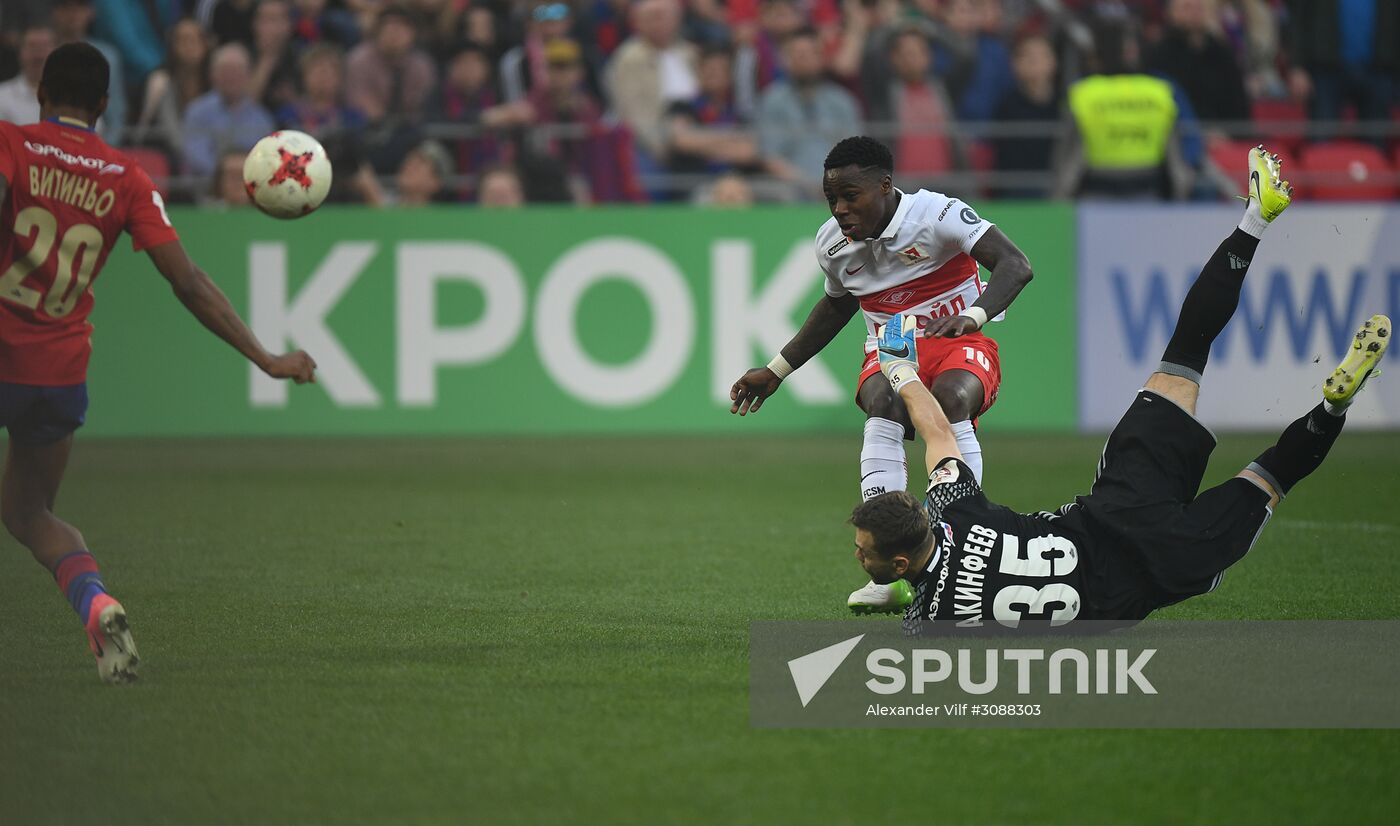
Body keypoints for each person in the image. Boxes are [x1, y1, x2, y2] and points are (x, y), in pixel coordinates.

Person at [853, 147, 1391, 633]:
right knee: (1184, 355)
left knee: (1272, 476)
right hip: (1116, 508)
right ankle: (1255, 219)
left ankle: (1330, 409)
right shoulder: (953, 508)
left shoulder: (929, 620)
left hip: (1166, 566)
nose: (858, 557)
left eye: (863, 554)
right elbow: (940, 435)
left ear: (898, 567)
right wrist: (900, 370)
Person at [0, 43, 317, 683]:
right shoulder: (127, 178)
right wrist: (265, 358)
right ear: (106, 107)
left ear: (40, 92)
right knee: (32, 514)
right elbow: (190, 283)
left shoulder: (10, 144)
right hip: (56, 374)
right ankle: (96, 601)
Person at [729, 135, 1034, 613]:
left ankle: (959, 547)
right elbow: (836, 307)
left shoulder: (937, 215)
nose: (840, 210)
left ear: (886, 187)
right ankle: (888, 569)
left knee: (952, 398)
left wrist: (974, 315)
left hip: (961, 340)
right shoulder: (832, 245)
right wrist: (776, 371)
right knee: (882, 401)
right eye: (832, 199)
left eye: (851, 196)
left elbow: (1016, 265)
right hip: (890, 350)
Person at [180, 42, 275, 177]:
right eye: (225, 71)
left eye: (237, 71)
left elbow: (267, 159)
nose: (231, 77)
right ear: (213, 75)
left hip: (249, 186)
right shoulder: (196, 111)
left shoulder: (262, 117)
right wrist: (228, 177)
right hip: (204, 189)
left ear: (248, 75)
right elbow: (195, 155)